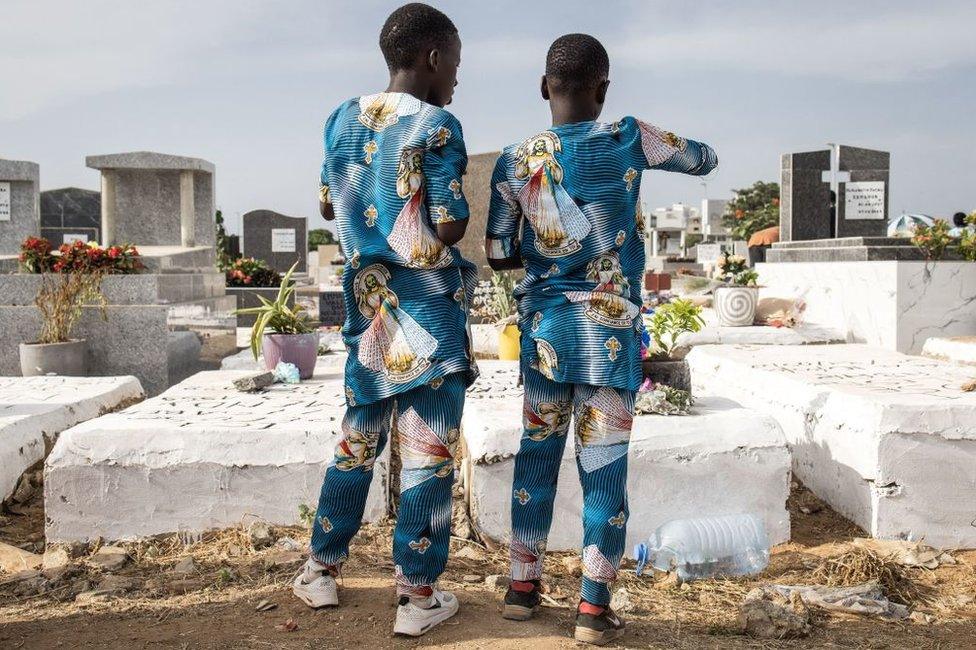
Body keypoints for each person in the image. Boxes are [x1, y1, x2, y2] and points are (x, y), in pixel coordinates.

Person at [486, 34, 717, 646]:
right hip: (611, 340)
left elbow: (499, 251)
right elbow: (704, 159)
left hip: (546, 339)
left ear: (544, 87)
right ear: (604, 89)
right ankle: (591, 608)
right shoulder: (629, 137)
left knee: (536, 461)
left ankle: (521, 590)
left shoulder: (514, 161)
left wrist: (549, 240)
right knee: (604, 475)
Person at [294, 3, 477, 637]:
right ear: (431, 57)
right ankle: (416, 597)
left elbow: (326, 205)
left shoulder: (339, 120)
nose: (456, 77)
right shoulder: (438, 124)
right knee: (427, 454)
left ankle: (319, 570)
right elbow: (452, 224)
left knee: (356, 444)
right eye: (454, 63)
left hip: (369, 312)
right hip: (428, 317)